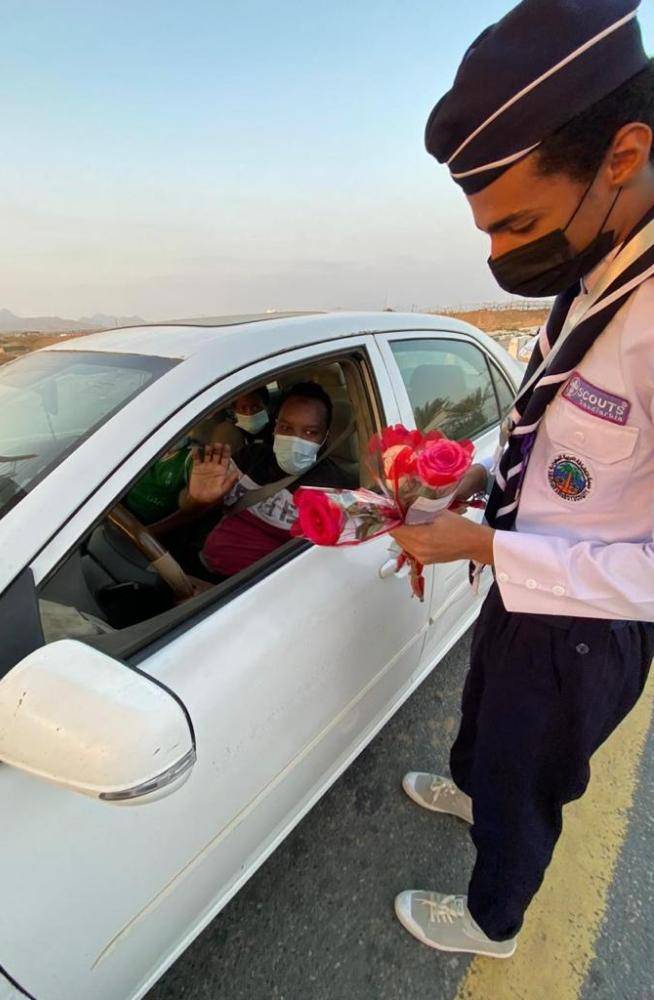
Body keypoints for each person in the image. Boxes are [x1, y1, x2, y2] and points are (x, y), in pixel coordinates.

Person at [388, 0, 654, 959]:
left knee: (527, 774)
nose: (504, 256)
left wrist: (491, 547)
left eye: (521, 224)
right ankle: (477, 792)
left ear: (623, 155)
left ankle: (493, 919)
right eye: (489, 234)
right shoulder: (597, 269)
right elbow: (556, 431)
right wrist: (479, 485)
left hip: (584, 626)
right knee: (485, 723)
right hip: (520, 579)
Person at [181, 382, 351, 577]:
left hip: (252, 587)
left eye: (310, 432)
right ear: (275, 427)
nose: (295, 440)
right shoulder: (250, 458)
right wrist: (197, 500)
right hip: (201, 569)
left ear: (325, 437)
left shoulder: (334, 490)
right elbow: (191, 510)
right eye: (286, 427)